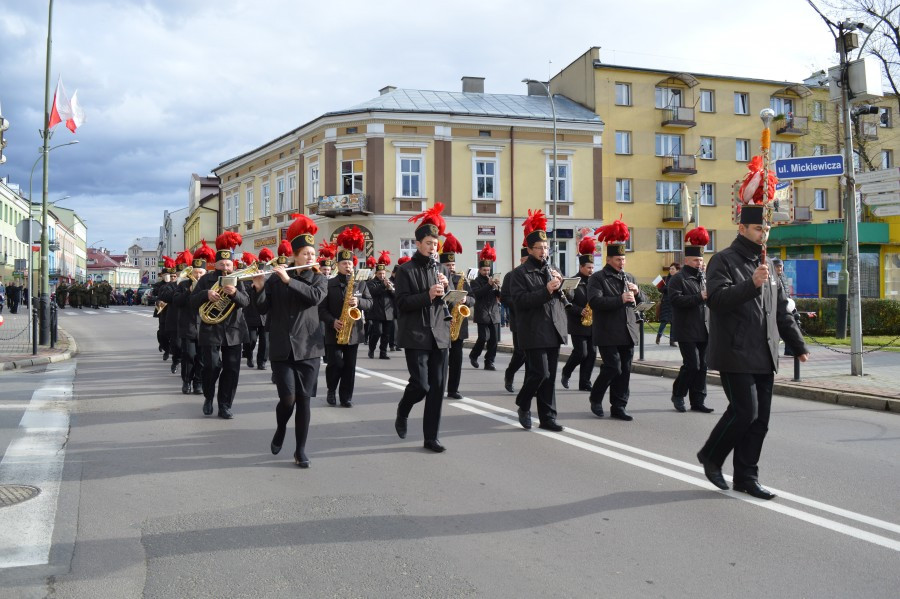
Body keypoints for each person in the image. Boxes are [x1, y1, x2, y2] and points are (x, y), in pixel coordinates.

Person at [697, 165, 809, 500]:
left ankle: (746, 475)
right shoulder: (723, 260)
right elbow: (716, 300)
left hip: (764, 352)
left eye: (767, 228)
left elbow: (781, 310)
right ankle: (711, 456)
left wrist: (797, 344)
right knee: (745, 411)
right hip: (734, 351)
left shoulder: (769, 265)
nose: (764, 234)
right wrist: (751, 284)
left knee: (760, 421)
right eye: (759, 228)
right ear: (742, 226)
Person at [252, 216, 327, 468]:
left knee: (304, 400)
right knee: (288, 399)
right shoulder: (275, 278)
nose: (310, 257)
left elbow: (314, 298)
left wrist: (288, 280)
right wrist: (260, 288)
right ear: (294, 255)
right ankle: (281, 427)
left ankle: (300, 450)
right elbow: (264, 309)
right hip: (282, 347)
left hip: (309, 348)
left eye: (312, 253)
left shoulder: (319, 278)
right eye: (305, 253)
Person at [393, 203, 452, 452]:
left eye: (435, 243)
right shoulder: (405, 270)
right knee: (422, 385)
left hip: (439, 334)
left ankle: (431, 438)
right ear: (417, 244)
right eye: (428, 242)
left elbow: (446, 300)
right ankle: (403, 408)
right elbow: (402, 304)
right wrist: (427, 295)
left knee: (438, 389)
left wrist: (447, 289)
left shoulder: (440, 269)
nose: (432, 247)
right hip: (415, 333)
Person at [509, 209, 567, 432]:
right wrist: (546, 290)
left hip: (553, 328)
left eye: (546, 247)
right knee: (539, 373)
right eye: (539, 248)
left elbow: (563, 298)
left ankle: (548, 418)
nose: (544, 251)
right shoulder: (520, 273)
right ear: (529, 250)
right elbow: (520, 301)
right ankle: (523, 403)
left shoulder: (553, 269)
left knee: (550, 377)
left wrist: (563, 287)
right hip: (533, 330)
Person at [588, 218, 645, 421]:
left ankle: (619, 406)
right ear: (609, 259)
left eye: (624, 259)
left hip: (628, 330)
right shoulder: (598, 278)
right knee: (613, 367)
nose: (622, 263)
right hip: (607, 331)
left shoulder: (629, 278)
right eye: (618, 259)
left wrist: (637, 293)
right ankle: (596, 397)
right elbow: (595, 301)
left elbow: (642, 302)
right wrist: (620, 299)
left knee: (625, 371)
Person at [190, 232, 250, 419]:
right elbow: (192, 302)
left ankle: (225, 405)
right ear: (215, 264)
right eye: (222, 264)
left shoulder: (237, 279)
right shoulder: (206, 281)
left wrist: (234, 294)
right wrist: (205, 295)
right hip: (210, 330)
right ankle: (209, 397)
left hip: (233, 331)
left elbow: (246, 302)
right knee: (211, 367)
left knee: (232, 369)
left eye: (229, 265)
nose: (226, 268)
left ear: (233, 265)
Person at [319, 226, 373, 408]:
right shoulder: (328, 284)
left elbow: (370, 303)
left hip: (354, 331)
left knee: (349, 367)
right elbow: (321, 309)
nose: (348, 266)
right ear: (337, 265)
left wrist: (359, 304)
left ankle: (346, 397)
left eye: (350, 264)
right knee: (335, 364)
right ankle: (331, 390)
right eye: (344, 263)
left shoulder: (359, 284)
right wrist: (332, 321)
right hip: (334, 329)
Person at [668, 227, 714, 413]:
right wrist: (699, 296)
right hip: (686, 329)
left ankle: (698, 401)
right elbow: (675, 300)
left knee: (702, 366)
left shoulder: (705, 278)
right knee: (692, 364)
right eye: (696, 260)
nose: (699, 263)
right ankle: (678, 394)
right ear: (687, 260)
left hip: (704, 328)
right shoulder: (678, 278)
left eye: (701, 260)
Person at [174, 243, 212, 395]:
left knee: (202, 357)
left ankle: (198, 382)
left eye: (201, 273)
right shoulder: (183, 285)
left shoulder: (210, 285)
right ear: (191, 273)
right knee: (189, 356)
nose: (198, 276)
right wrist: (189, 291)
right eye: (196, 273)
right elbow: (176, 301)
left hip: (204, 326)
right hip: (188, 326)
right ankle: (186, 381)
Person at [441, 233, 475, 400]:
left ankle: (453, 389)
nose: (451, 267)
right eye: (448, 264)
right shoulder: (437, 278)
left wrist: (465, 299)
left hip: (459, 325)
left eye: (453, 264)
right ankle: (438, 388)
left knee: (456, 360)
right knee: (440, 361)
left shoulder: (462, 278)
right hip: (442, 323)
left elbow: (473, 298)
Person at [561, 235, 598, 392]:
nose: (591, 270)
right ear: (581, 267)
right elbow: (567, 302)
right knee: (581, 353)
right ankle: (566, 372)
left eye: (592, 267)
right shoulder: (573, 281)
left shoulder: (595, 281)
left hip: (593, 324)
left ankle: (585, 382)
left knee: (591, 354)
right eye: (588, 267)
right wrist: (579, 310)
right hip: (578, 323)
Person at [468, 243, 501, 371]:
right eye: (484, 270)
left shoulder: (493, 281)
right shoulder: (475, 281)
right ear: (480, 270)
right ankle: (474, 355)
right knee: (483, 338)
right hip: (482, 314)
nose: (487, 272)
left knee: (493, 341)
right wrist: (488, 285)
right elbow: (477, 294)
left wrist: (498, 288)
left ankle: (489, 362)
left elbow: (499, 296)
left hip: (494, 313)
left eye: (488, 270)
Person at [501, 248, 529, 393]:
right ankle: (510, 373)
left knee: (532, 356)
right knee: (520, 353)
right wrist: (521, 303)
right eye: (525, 260)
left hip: (534, 321)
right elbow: (504, 297)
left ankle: (528, 387)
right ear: (521, 260)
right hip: (518, 320)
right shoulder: (511, 275)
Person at [159, 254, 189, 375]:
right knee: (176, 345)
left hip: (189, 320)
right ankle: (176, 360)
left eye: (184, 274)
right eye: (179, 274)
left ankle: (188, 371)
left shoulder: (191, 285)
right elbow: (164, 297)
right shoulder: (170, 286)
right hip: (174, 319)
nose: (181, 276)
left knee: (189, 349)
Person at [243, 249, 270, 370]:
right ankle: (249, 355)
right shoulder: (246, 281)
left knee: (265, 341)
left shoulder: (267, 281)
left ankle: (261, 362)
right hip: (251, 314)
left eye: (261, 270)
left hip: (265, 315)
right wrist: (253, 288)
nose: (259, 272)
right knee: (251, 340)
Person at [367, 251, 395, 359]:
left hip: (388, 312)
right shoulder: (371, 283)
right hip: (376, 312)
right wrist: (383, 286)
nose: (382, 275)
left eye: (383, 273)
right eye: (380, 274)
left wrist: (390, 289)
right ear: (376, 273)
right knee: (377, 332)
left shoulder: (389, 282)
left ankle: (383, 353)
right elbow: (372, 292)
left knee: (386, 334)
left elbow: (395, 295)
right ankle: (371, 349)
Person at [656, 262, 679, 346]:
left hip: (675, 303)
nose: (671, 270)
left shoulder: (679, 278)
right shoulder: (665, 278)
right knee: (664, 321)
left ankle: (672, 341)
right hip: (666, 302)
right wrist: (666, 288)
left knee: (674, 322)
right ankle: (659, 336)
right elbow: (659, 288)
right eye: (670, 268)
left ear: (677, 270)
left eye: (673, 269)